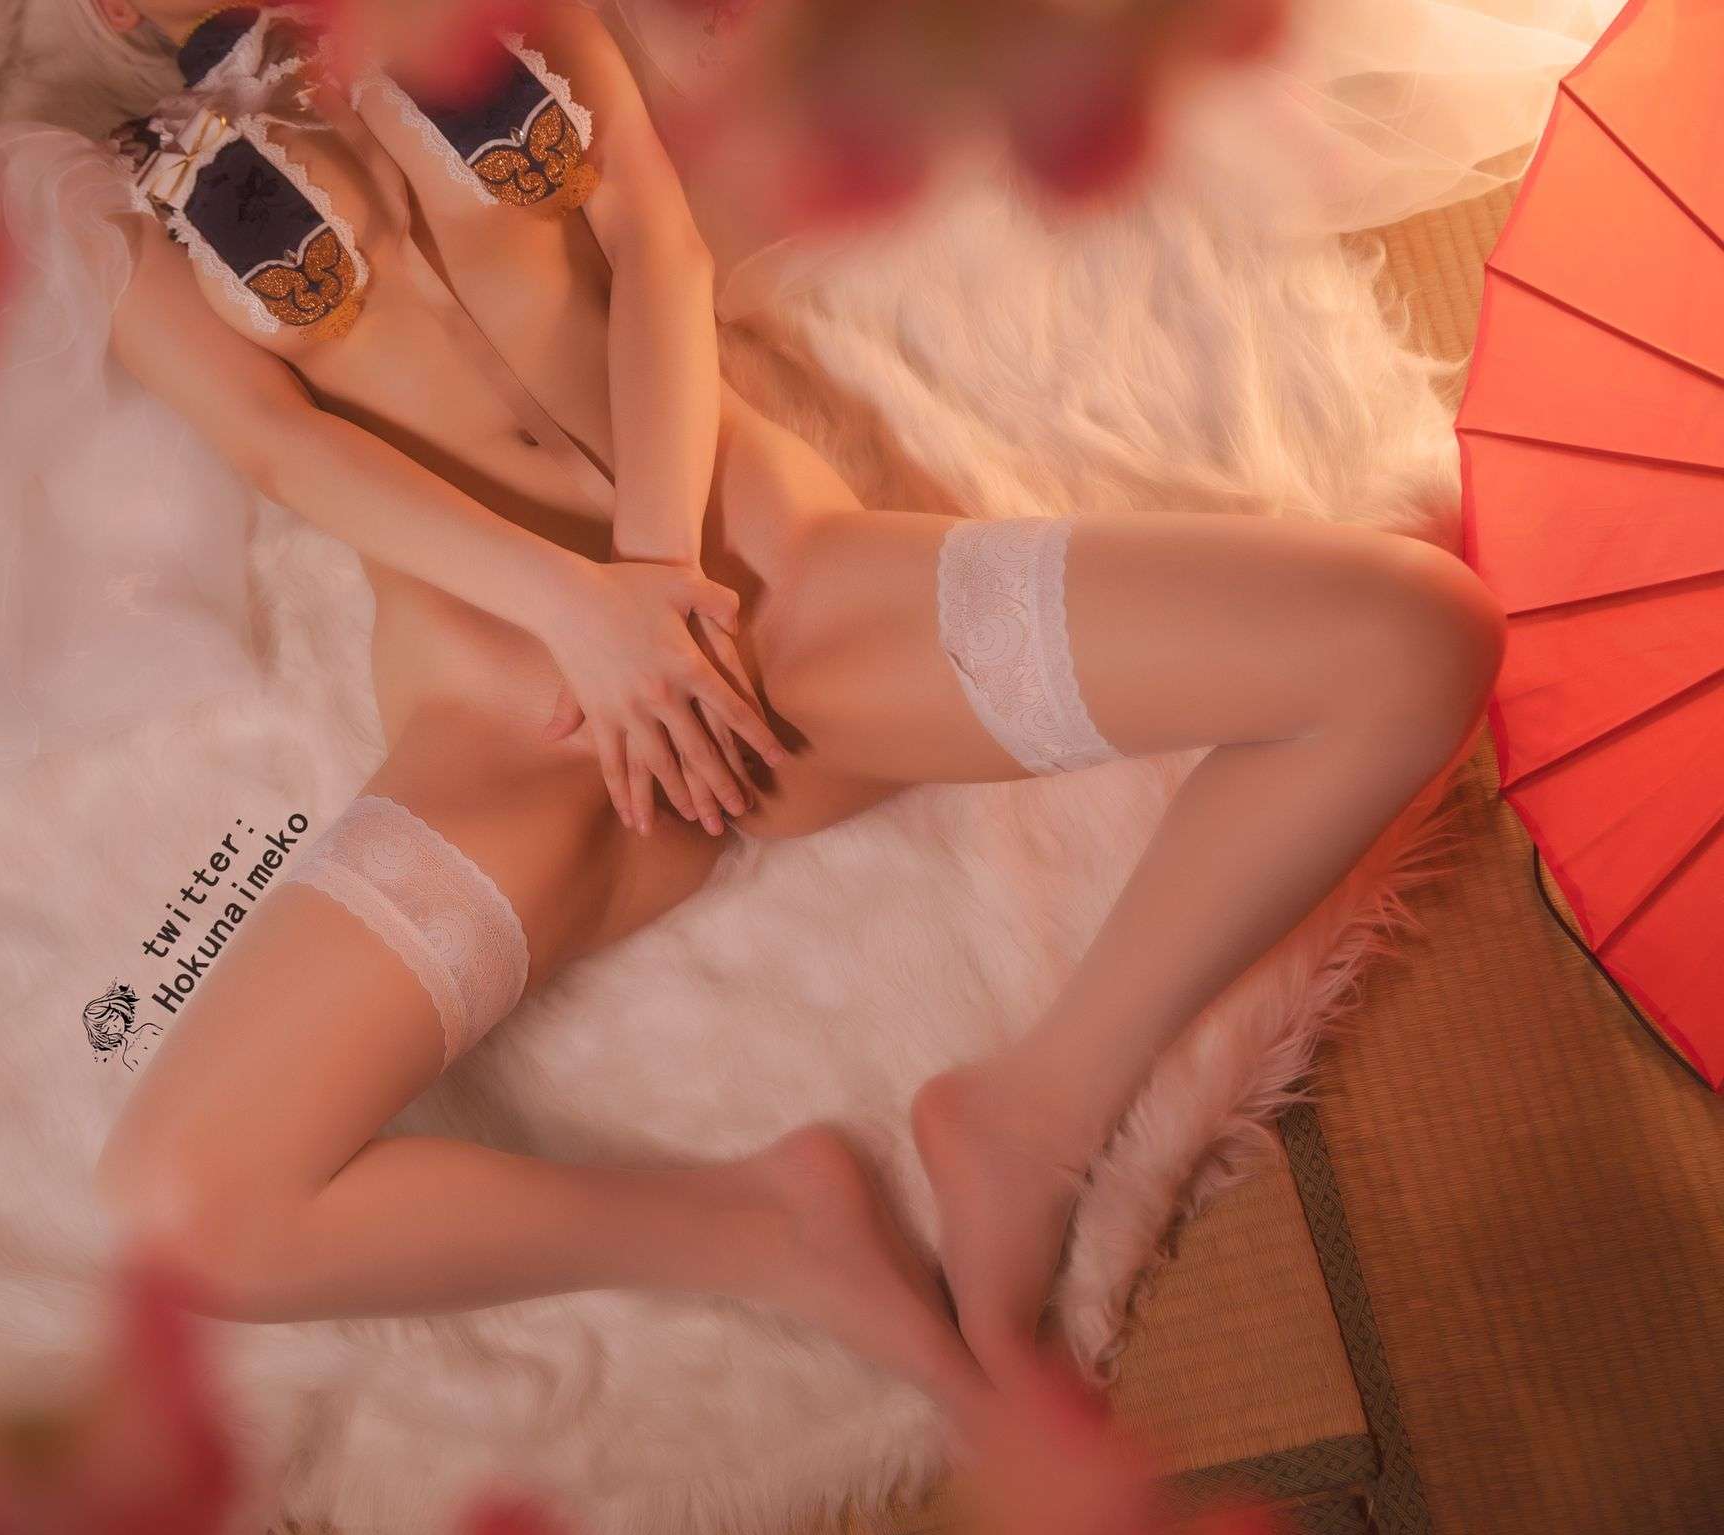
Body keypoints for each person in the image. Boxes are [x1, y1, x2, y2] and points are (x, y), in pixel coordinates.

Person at [79, 0, 1505, 1416]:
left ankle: (1040, 1111)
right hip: (528, 733)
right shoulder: (111, 211)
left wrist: (656, 575)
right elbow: (281, 449)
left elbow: (658, 244)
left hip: (783, 604)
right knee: (187, 1208)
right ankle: (759, 1233)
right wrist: (583, 616)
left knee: (1417, 637)